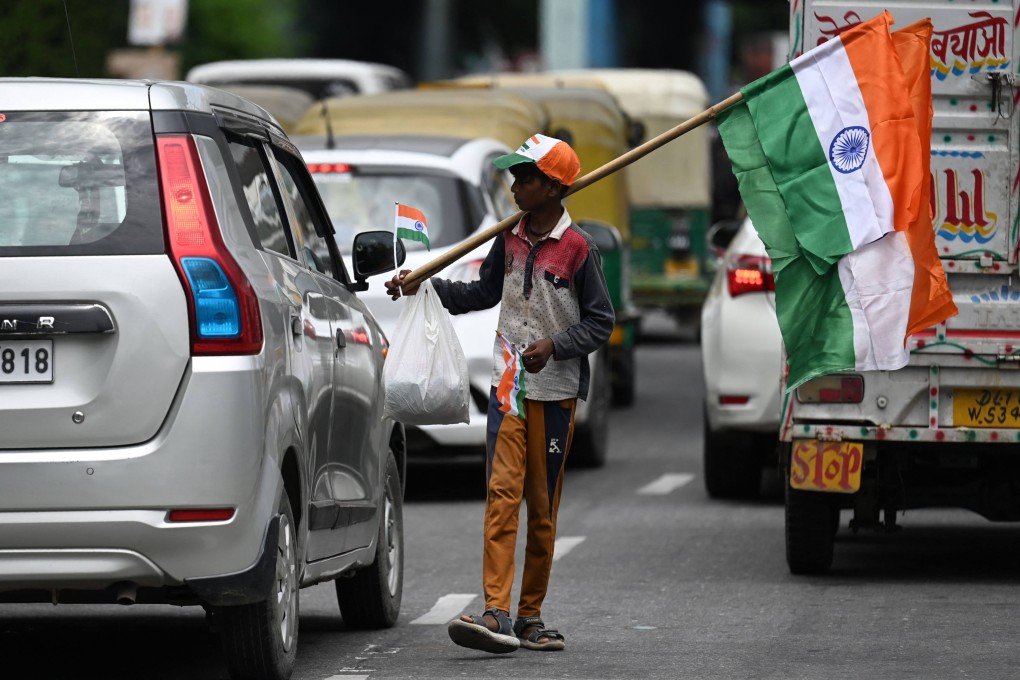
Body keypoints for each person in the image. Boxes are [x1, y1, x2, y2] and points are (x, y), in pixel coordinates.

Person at [385, 134, 614, 654]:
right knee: (501, 496)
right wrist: (427, 287)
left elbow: (602, 322)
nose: (514, 187)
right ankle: (495, 610)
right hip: (507, 387)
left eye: (525, 178)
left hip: (554, 393)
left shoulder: (579, 249)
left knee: (541, 505)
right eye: (513, 177)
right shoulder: (507, 238)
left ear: (553, 188)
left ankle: (530, 615)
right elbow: (484, 293)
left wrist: (556, 345)